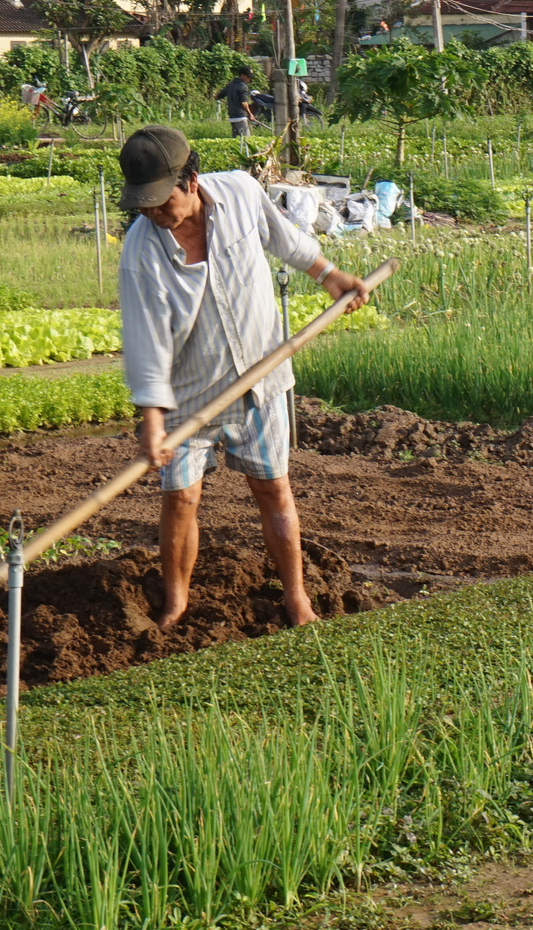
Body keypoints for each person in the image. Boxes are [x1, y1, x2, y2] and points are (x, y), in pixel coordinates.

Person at [116, 125, 368, 629]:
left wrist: (330, 276)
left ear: (190, 181)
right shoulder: (142, 251)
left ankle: (296, 599)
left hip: (262, 377)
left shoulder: (241, 192)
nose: (153, 214)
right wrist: (152, 418)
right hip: (189, 393)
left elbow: (288, 241)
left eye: (161, 203)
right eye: (143, 205)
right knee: (181, 497)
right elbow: (146, 342)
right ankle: (176, 603)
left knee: (273, 488)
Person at [220, 68, 258, 145]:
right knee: (247, 142)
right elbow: (244, 103)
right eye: (248, 77)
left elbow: (218, 96)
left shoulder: (230, 84)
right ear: (242, 75)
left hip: (232, 117)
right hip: (241, 117)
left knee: (236, 142)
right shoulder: (243, 86)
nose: (249, 79)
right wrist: (250, 114)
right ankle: (247, 156)